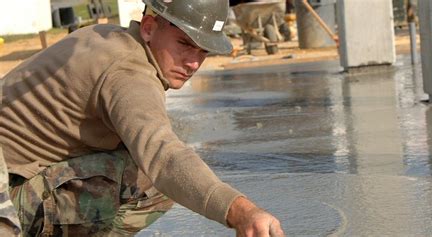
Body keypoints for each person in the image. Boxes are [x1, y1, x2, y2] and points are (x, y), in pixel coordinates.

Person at [0, 0, 285, 236]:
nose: (193, 63)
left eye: (203, 52)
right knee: (152, 178)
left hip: (12, 173)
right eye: (185, 44)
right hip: (7, 200)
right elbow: (164, 157)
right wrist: (239, 210)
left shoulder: (106, 37)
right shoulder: (130, 74)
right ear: (149, 28)